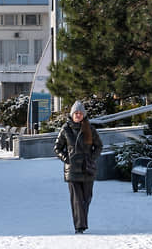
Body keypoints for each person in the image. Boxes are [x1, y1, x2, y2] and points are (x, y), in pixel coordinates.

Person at [53, 100, 103, 234]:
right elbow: (57, 148)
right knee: (77, 199)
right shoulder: (65, 129)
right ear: (72, 114)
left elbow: (99, 146)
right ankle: (79, 226)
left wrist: (91, 157)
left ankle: (82, 222)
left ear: (84, 115)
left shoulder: (90, 129)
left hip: (87, 169)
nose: (78, 115)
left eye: (80, 113)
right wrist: (66, 158)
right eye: (76, 113)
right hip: (72, 170)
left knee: (86, 198)